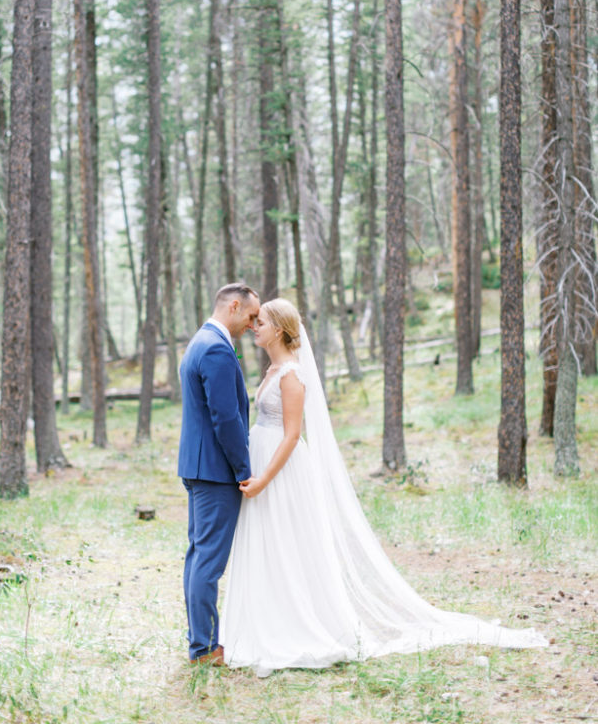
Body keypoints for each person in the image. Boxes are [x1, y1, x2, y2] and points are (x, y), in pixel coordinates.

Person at [220, 298, 547, 676]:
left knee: (287, 543)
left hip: (280, 467)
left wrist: (263, 478)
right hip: (263, 456)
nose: (253, 326)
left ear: (278, 329)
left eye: (260, 321)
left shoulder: (291, 374)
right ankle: (267, 618)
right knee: (269, 542)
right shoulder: (272, 368)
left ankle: (294, 624)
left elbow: (293, 435)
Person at [177, 282, 261, 665]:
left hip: (199, 466)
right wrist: (244, 471)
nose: (252, 323)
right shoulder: (215, 349)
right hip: (215, 471)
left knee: (198, 556)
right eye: (250, 315)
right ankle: (205, 648)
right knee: (208, 561)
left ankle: (202, 643)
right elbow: (226, 418)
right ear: (233, 306)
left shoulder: (200, 341)